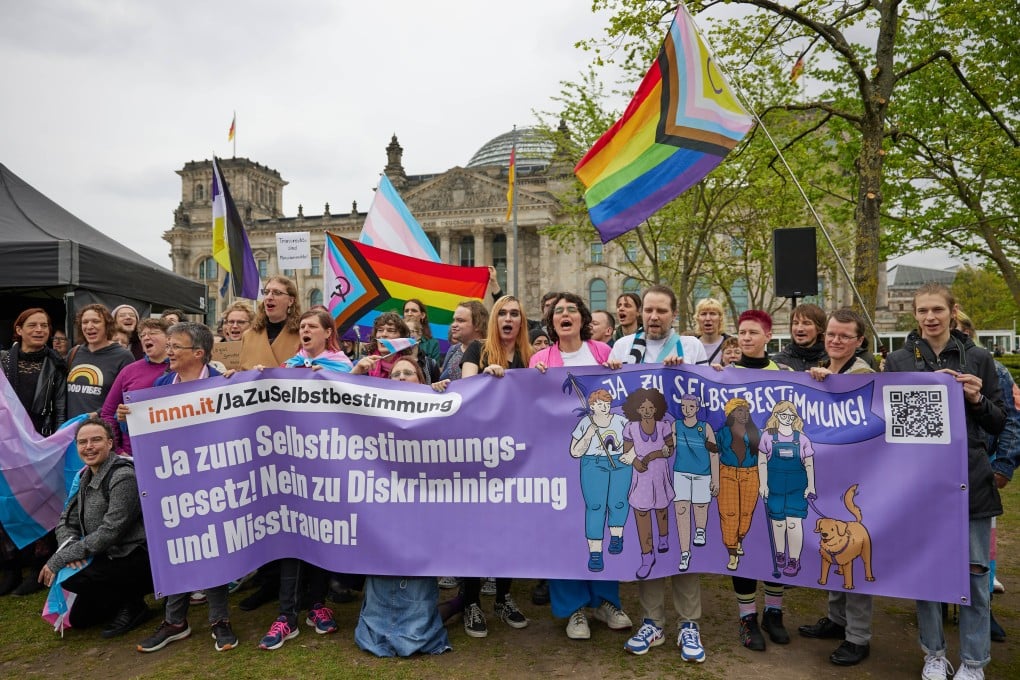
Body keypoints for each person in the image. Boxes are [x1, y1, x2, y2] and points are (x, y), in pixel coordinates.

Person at [885, 283, 1005, 680]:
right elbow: (885, 427)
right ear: (914, 315)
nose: (930, 317)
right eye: (922, 311)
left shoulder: (979, 358)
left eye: (937, 309)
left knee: (975, 577)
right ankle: (934, 654)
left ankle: (974, 662)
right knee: (927, 574)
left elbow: (999, 420)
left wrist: (975, 399)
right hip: (920, 486)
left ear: (953, 312)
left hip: (970, 481)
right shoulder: (899, 361)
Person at [607, 285, 707, 662]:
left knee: (680, 541)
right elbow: (614, 396)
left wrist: (689, 374)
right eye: (648, 310)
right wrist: (612, 372)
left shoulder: (690, 347)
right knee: (645, 538)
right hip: (642, 462)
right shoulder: (621, 349)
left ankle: (689, 623)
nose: (653, 317)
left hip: (680, 459)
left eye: (661, 311)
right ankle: (652, 621)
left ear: (673, 314)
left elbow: (704, 398)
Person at [531, 292, 633, 640]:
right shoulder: (540, 358)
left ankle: (605, 601)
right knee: (564, 527)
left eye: (571, 310)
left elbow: (620, 395)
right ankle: (573, 608)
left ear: (582, 319)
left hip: (600, 458)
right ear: (552, 322)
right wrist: (535, 378)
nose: (564, 314)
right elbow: (529, 405)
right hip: (555, 458)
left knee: (601, 520)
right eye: (558, 311)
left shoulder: (602, 352)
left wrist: (619, 372)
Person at [136, 322, 237, 653]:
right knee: (175, 545)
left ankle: (219, 620)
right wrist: (132, 416)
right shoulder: (164, 383)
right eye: (168, 348)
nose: (169, 354)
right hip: (173, 482)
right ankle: (175, 620)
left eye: (174, 348)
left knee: (214, 545)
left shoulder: (223, 383)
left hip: (213, 481)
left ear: (198, 353)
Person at [354, 356, 452, 657]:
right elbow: (337, 407)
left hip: (421, 507)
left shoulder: (436, 404)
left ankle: (418, 631)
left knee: (416, 569)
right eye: (395, 373)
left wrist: (440, 397)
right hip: (384, 507)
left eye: (408, 373)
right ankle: (378, 628)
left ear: (421, 379)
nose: (400, 377)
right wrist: (355, 372)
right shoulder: (374, 410)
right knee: (384, 566)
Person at [799, 308, 875, 667]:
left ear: (859, 341)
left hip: (857, 481)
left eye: (845, 336)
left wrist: (828, 380)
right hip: (828, 478)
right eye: (831, 334)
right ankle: (836, 617)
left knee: (853, 552)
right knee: (830, 548)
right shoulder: (819, 371)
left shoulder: (864, 374)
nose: (835, 340)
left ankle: (858, 636)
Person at [713, 309, 792, 652]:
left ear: (768, 337)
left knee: (775, 539)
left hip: (776, 472)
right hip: (738, 472)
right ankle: (747, 617)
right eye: (741, 332)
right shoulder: (724, 374)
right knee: (741, 536)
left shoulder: (787, 374)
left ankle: (774, 613)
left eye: (752, 332)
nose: (745, 338)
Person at [458, 295, 532, 636]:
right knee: (477, 530)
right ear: (494, 319)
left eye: (514, 314)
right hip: (482, 457)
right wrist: (485, 378)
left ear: (521, 322)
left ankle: (503, 597)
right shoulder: (477, 351)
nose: (508, 318)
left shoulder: (530, 357)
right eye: (502, 312)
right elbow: (464, 392)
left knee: (512, 530)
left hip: (519, 458)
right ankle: (470, 600)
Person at [38, 417, 153, 637]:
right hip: (101, 555)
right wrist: (69, 549)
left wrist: (62, 558)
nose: (89, 447)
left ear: (110, 443)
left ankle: (134, 604)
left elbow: (110, 532)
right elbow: (65, 521)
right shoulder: (84, 475)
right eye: (82, 442)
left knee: (73, 577)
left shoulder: (124, 476)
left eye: (96, 440)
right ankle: (120, 601)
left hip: (133, 556)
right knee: (81, 620)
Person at [956, 311, 1020, 644]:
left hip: (984, 466)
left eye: (962, 331)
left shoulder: (996, 370)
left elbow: (1010, 420)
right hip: (944, 471)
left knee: (982, 549)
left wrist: (1004, 467)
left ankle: (986, 610)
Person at [0, 308, 68, 596]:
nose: (40, 330)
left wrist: (58, 440)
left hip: (40, 441)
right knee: (7, 504)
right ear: (19, 330)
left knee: (39, 502)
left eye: (44, 325)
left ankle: (37, 567)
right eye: (33, 325)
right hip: (5, 443)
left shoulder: (57, 365)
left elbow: (61, 405)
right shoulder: (2, 361)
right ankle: (11, 567)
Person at [101, 318, 171, 455]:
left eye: (153, 333)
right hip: (134, 455)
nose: (146, 337)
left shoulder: (182, 367)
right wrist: (117, 450)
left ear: (169, 338)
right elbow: (108, 413)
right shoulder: (129, 371)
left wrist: (226, 376)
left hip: (175, 453)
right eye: (142, 335)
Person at [66, 304, 134, 419]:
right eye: (85, 322)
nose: (89, 326)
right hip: (71, 430)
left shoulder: (123, 356)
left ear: (107, 325)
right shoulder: (74, 352)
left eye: (95, 321)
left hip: (104, 430)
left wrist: (97, 414)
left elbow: (126, 399)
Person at [239, 276, 301, 370]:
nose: (269, 297)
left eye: (277, 293)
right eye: (266, 292)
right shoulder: (248, 336)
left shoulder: (302, 335)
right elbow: (241, 373)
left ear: (291, 301)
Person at [438, 301, 488, 382]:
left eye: (460, 320)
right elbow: (441, 379)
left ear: (478, 325)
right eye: (454, 320)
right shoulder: (453, 350)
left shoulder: (491, 352)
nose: (453, 325)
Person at [773, 303, 827, 371]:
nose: (799, 329)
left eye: (806, 323)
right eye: (795, 323)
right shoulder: (779, 361)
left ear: (820, 329)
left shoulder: (831, 360)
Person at [402, 298, 441, 363]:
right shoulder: (396, 337)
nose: (409, 314)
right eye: (406, 311)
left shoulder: (432, 343)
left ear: (422, 315)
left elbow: (434, 370)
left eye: (414, 311)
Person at [694, 297, 730, 365]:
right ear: (698, 318)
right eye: (703, 314)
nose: (708, 318)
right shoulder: (691, 345)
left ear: (720, 318)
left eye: (712, 314)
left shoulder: (732, 343)